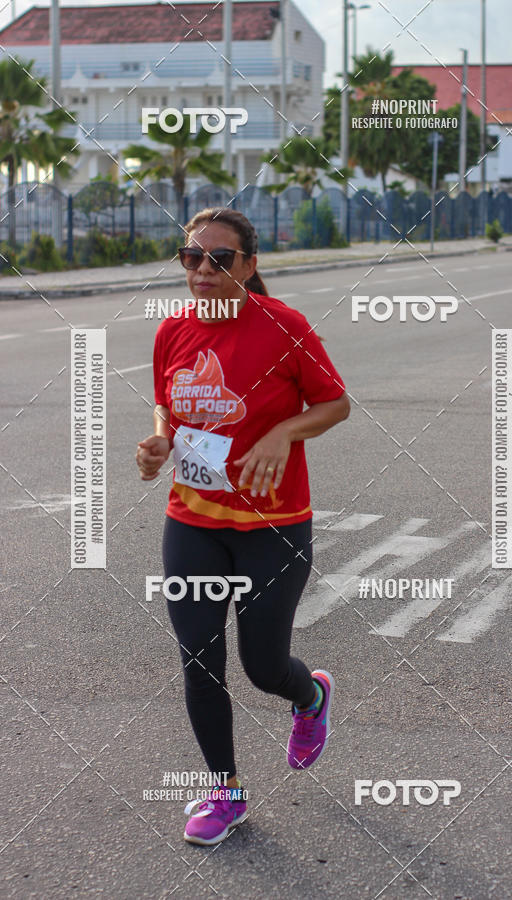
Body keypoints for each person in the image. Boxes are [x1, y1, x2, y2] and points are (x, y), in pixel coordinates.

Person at [136, 207, 350, 845]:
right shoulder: (172, 330)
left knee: (262, 668)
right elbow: (166, 406)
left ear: (249, 266)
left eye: (218, 259)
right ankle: (224, 793)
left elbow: (335, 402)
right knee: (200, 661)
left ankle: (309, 696)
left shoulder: (284, 328)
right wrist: (156, 443)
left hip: (274, 529)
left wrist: (284, 432)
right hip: (192, 522)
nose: (202, 271)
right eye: (191, 258)